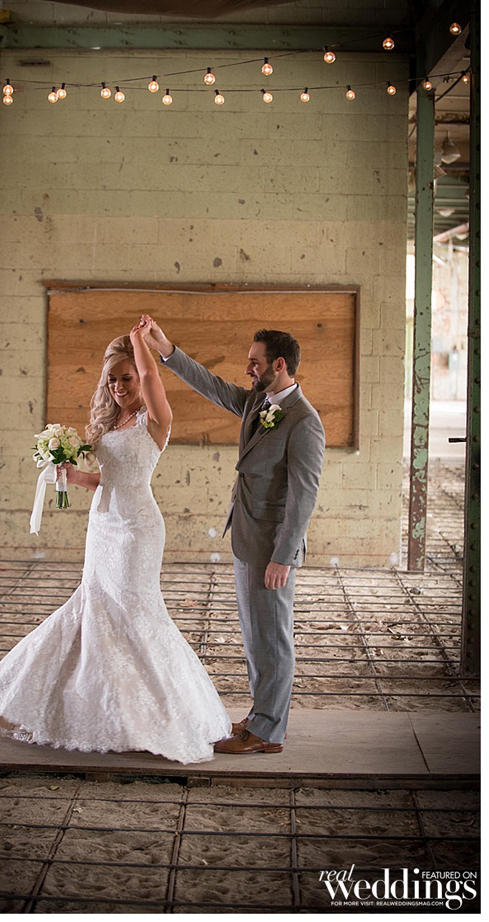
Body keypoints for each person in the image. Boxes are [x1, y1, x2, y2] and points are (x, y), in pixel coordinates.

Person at [0, 319, 232, 764]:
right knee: (94, 609)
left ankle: (158, 717)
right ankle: (91, 715)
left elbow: (151, 374)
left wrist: (141, 341)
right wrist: (73, 476)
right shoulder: (112, 420)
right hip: (102, 525)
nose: (120, 387)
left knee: (134, 613)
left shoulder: (155, 419)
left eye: (127, 378)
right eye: (112, 380)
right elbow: (108, 478)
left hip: (137, 529)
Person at [142, 316, 325, 755]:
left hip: (272, 549)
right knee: (257, 636)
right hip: (246, 536)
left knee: (273, 639)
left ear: (278, 365)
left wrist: (283, 557)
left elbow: (304, 496)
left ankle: (267, 732)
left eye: (254, 362)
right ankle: (262, 715)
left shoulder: (304, 421)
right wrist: (166, 348)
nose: (248, 369)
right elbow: (211, 385)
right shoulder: (258, 402)